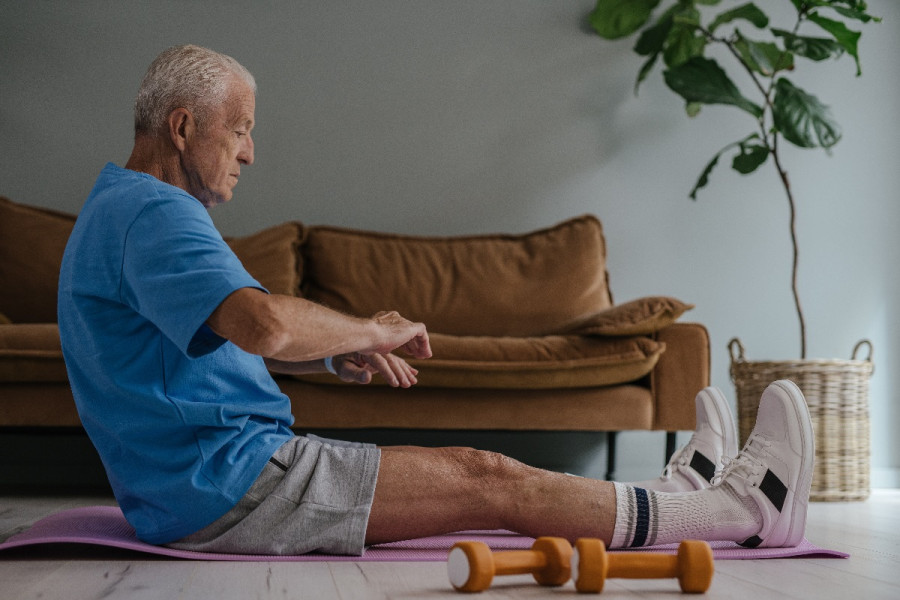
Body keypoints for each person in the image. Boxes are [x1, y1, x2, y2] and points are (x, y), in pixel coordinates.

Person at [58, 44, 814, 556]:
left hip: (204, 483)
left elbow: (200, 355)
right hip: (234, 486)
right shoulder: (154, 213)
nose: (250, 151)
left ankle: (671, 494)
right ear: (183, 127)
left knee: (488, 475)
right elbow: (261, 323)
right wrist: (368, 330)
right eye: (241, 129)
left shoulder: (118, 209)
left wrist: (332, 354)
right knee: (490, 477)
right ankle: (745, 512)